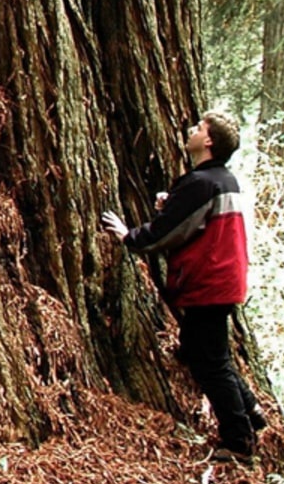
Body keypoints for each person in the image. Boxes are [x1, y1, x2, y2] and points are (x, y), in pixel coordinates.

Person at [101, 112, 264, 463]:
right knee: (199, 349)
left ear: (209, 142)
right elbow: (193, 219)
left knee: (212, 364)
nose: (191, 131)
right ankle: (250, 410)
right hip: (222, 281)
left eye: (199, 129)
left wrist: (129, 236)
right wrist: (172, 203)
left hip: (210, 284)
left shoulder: (202, 183)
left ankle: (239, 442)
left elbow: (169, 231)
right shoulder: (221, 180)